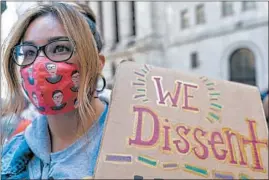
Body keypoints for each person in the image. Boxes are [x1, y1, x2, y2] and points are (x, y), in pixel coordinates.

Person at [1, 2, 111, 179]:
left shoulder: (137, 141)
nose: (39, 64)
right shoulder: (12, 154)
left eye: (60, 48)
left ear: (97, 64)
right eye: (29, 52)